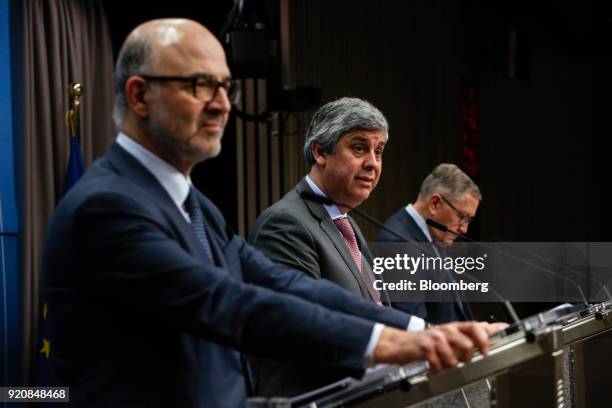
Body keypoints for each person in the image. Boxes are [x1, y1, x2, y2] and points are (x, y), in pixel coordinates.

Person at [44, 19, 498, 408]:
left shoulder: (193, 203)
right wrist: (389, 343)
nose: (222, 103)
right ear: (140, 96)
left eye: (226, 86)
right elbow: (225, 302)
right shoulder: (106, 207)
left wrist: (421, 330)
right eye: (200, 85)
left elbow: (282, 283)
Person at [249, 97, 426, 395]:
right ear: (321, 152)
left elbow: (374, 309)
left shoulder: (346, 222)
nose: (372, 163)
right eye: (359, 148)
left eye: (379, 151)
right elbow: (305, 328)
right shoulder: (285, 223)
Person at [377, 163, 481, 323]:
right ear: (435, 204)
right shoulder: (399, 244)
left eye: (469, 220)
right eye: (462, 217)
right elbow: (413, 325)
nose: (464, 229)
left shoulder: (433, 235)